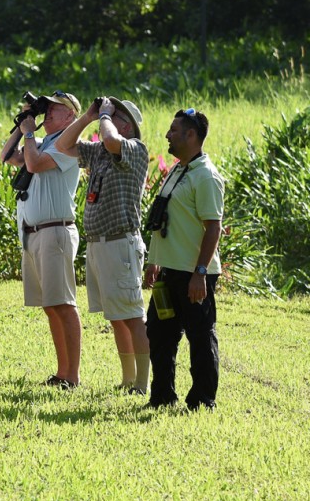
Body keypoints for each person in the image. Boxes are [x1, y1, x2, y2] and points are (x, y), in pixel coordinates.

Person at [55, 97, 151, 393]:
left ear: (127, 125)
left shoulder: (135, 149)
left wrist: (105, 116)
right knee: (116, 317)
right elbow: (63, 146)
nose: (106, 118)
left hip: (120, 243)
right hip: (99, 244)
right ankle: (127, 378)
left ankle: (143, 382)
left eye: (115, 115)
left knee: (132, 316)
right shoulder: (100, 152)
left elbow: (111, 140)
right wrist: (87, 117)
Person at [0, 91, 83, 389]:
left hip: (54, 231)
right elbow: (7, 156)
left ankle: (71, 375)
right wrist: (24, 123)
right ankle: (62, 373)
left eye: (53, 108)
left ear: (70, 116)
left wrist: (29, 134)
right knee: (51, 305)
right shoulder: (45, 141)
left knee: (63, 303)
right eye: (44, 107)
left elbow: (33, 164)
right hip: (34, 233)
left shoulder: (67, 143)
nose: (46, 112)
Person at [143, 108, 224, 411]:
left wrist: (200, 273)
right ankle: (162, 396)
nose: (167, 134)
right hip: (169, 272)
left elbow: (213, 227)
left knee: (200, 338)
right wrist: (154, 260)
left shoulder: (206, 176)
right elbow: (164, 219)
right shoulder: (179, 170)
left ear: (191, 135)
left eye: (174, 130)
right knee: (160, 334)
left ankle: (203, 400)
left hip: (194, 274)